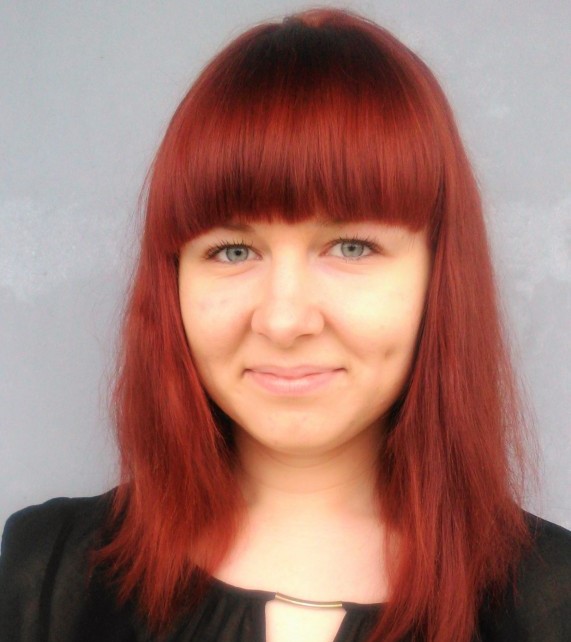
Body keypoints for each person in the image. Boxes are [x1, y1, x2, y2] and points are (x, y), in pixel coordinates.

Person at [0, 8, 569, 642]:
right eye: (232, 251)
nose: (284, 319)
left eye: (351, 247)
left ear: (440, 276)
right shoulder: (49, 576)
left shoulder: (551, 603)